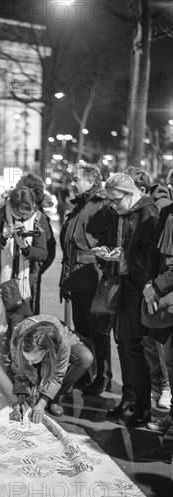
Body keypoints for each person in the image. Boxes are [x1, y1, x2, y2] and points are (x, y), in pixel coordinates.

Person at [89, 173, 159, 427]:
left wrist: (123, 258)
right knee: (125, 346)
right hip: (124, 286)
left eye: (116, 200)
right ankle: (129, 402)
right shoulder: (128, 212)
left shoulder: (148, 213)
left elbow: (149, 257)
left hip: (137, 289)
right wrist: (112, 254)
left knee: (134, 348)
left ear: (131, 194)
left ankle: (142, 408)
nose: (113, 206)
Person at [0, 186, 48, 377]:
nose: (24, 218)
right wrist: (3, 236)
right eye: (19, 213)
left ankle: (21, 375)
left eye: (27, 214)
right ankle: (10, 374)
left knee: (22, 334)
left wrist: (25, 247)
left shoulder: (38, 219)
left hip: (24, 287)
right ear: (11, 206)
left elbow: (43, 253)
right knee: (3, 334)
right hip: (1, 284)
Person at [60, 163, 112, 395]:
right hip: (78, 280)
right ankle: (88, 374)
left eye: (76, 179)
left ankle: (103, 377)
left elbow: (104, 244)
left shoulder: (100, 206)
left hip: (93, 279)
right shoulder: (81, 207)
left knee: (98, 332)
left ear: (91, 182)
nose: (71, 183)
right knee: (83, 331)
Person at [126, 165, 172, 410]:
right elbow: (155, 251)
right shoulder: (161, 211)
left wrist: (154, 283)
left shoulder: (157, 209)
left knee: (160, 346)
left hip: (161, 287)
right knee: (158, 348)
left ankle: (163, 389)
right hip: (154, 285)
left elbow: (157, 253)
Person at [11, 316, 95, 420]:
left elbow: (57, 375)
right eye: (26, 358)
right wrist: (21, 398)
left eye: (34, 360)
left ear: (47, 352)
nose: (29, 363)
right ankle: (35, 392)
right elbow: (18, 372)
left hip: (60, 338)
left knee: (85, 357)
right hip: (32, 338)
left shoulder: (62, 341)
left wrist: (43, 401)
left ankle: (54, 397)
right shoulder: (18, 338)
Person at [143, 198, 173, 441]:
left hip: (167, 289)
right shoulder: (167, 211)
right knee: (169, 358)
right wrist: (150, 283)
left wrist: (156, 284)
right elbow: (157, 252)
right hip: (165, 295)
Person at [16, 172, 56, 315]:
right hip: (10, 276)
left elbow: (50, 250)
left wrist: (38, 269)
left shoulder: (41, 219)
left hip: (31, 276)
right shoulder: (9, 213)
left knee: (29, 318)